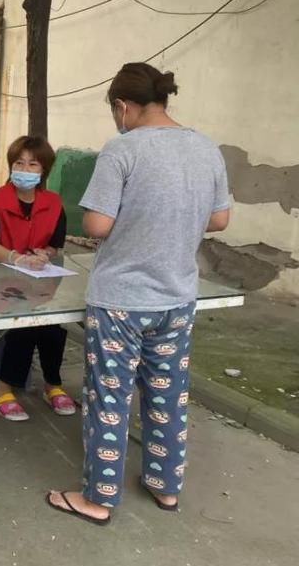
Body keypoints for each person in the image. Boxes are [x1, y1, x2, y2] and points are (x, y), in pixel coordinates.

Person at [46, 62, 230, 525]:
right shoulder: (205, 147)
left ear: (122, 106)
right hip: (177, 297)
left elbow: (96, 224)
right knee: (168, 397)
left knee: (110, 400)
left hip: (121, 301)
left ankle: (98, 499)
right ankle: (165, 486)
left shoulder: (122, 150)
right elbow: (219, 219)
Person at [0, 136, 76, 421]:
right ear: (11, 166)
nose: (25, 169)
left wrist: (44, 254)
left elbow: (54, 246)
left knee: (53, 324)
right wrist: (16, 258)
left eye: (33, 164)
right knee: (26, 322)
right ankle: (2, 390)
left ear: (43, 170)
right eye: (19, 163)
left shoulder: (53, 204)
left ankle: (53, 385)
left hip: (36, 282)